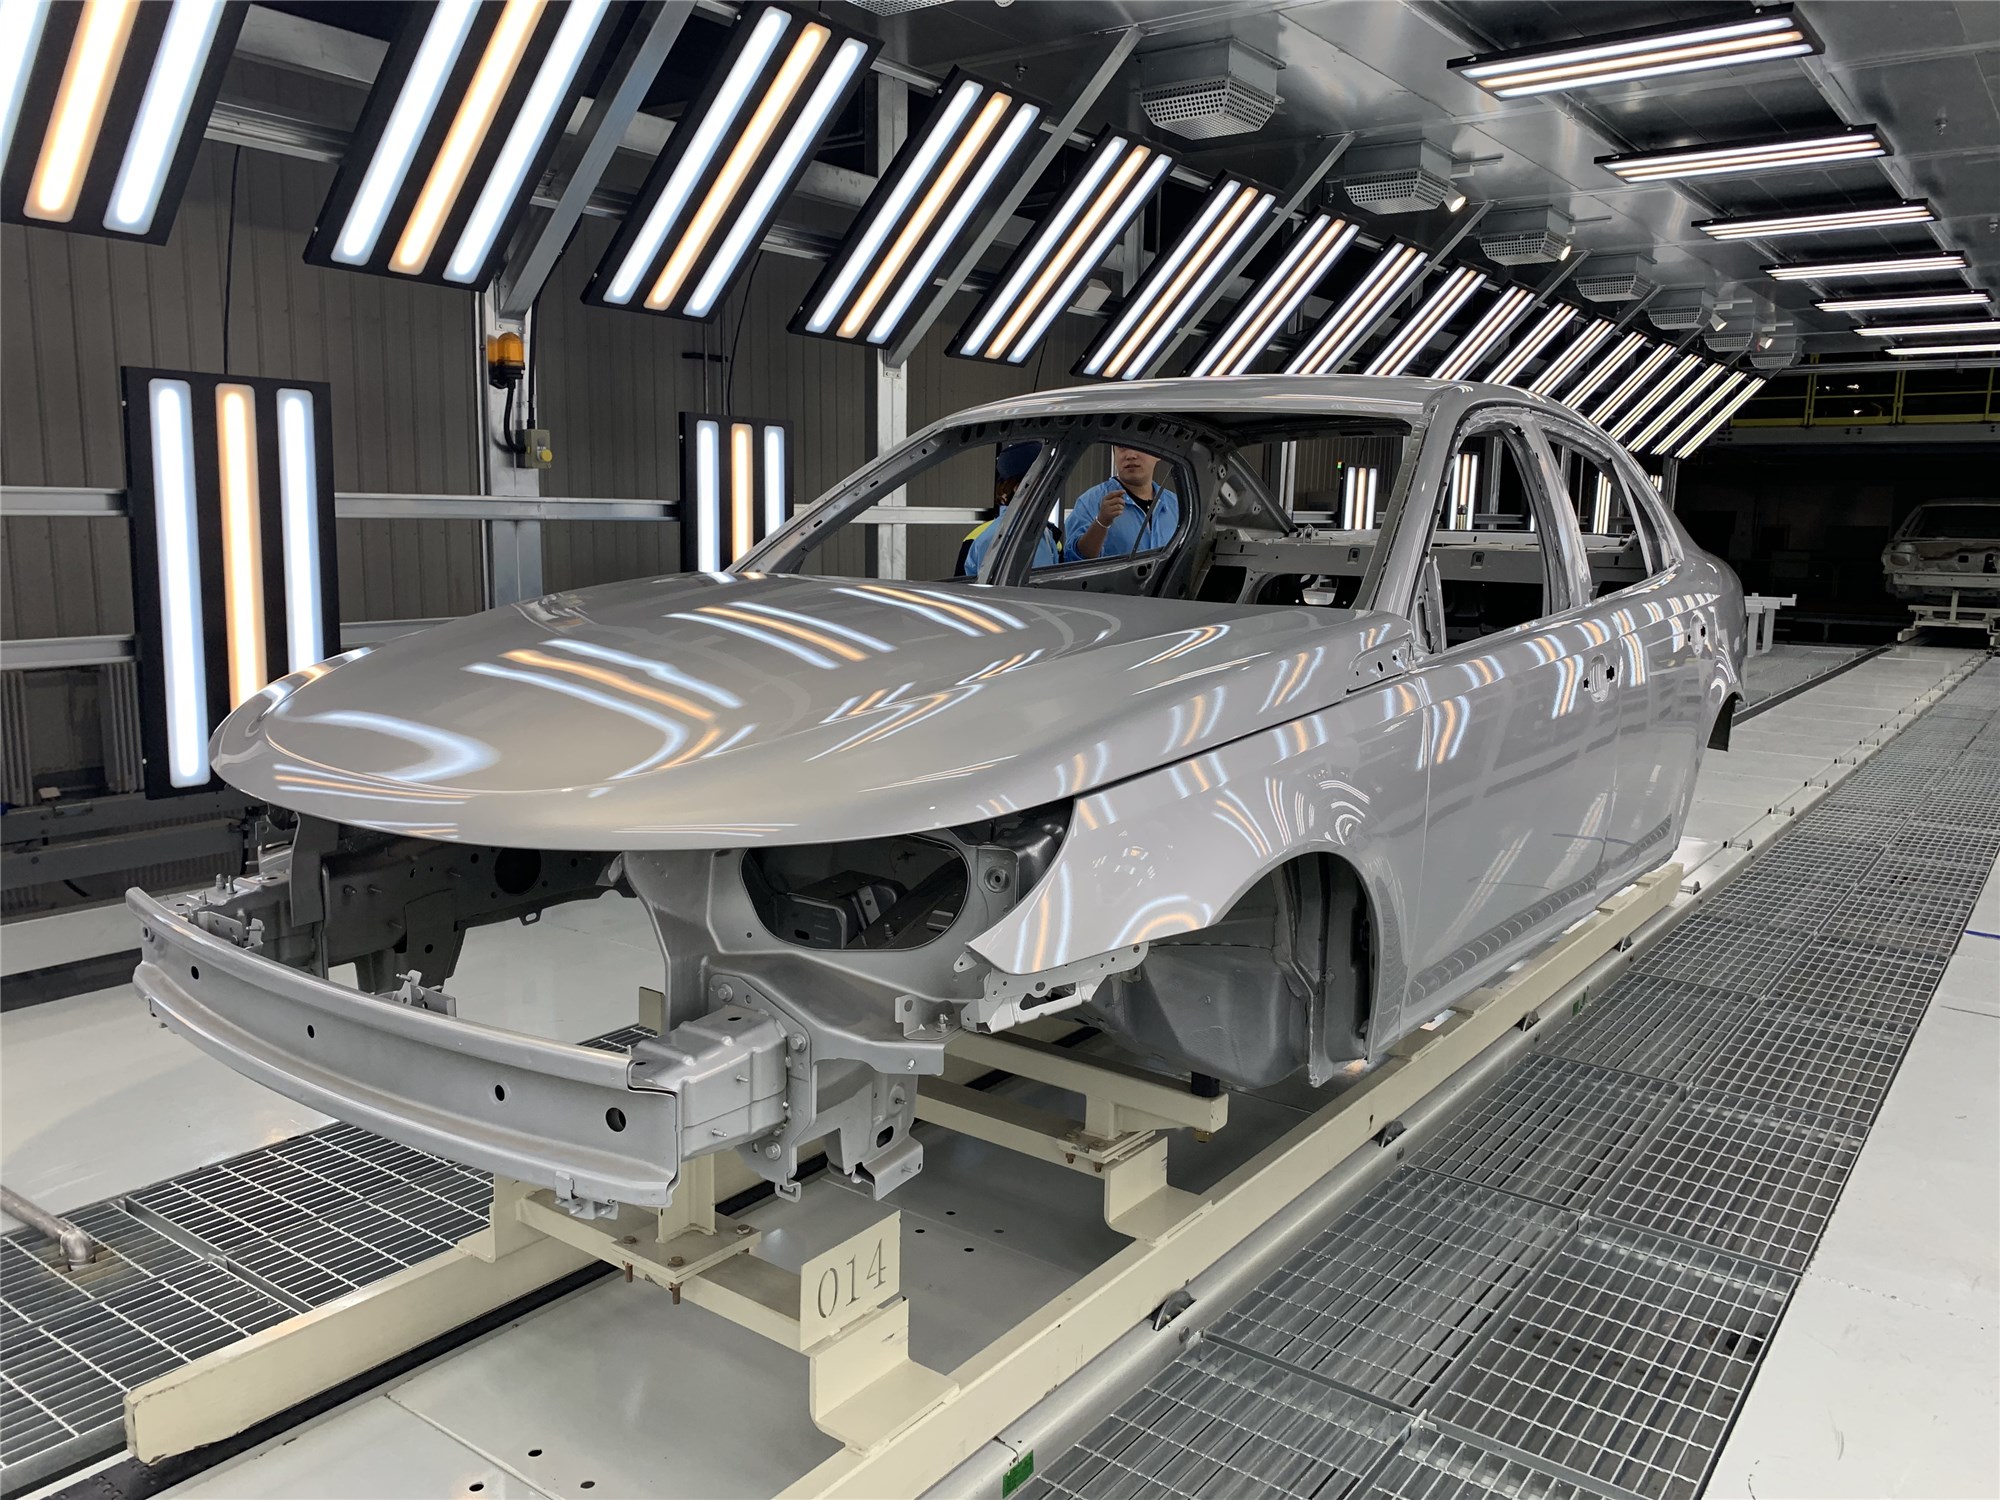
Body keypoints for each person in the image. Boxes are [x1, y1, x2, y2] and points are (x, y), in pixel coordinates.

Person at [957, 442, 1058, 576]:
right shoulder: (993, 539)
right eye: (1043, 480)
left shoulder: (1044, 532)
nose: (1050, 488)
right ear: (1019, 487)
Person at [1065, 446, 1179, 560]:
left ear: (1158, 453)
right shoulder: (1090, 502)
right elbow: (1073, 560)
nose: (1131, 456)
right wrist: (1101, 523)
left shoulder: (1178, 506)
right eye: (1122, 447)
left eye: (1139, 447)